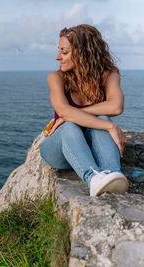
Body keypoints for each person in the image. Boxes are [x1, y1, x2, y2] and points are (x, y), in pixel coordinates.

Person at [39, 24, 129, 197]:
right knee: (71, 126)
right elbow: (64, 112)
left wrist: (74, 114)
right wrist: (110, 127)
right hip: (59, 149)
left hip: (90, 146)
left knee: (102, 118)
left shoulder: (109, 75)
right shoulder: (56, 78)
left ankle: (112, 176)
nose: (58, 57)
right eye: (59, 51)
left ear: (83, 53)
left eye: (64, 52)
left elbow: (116, 107)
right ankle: (93, 179)